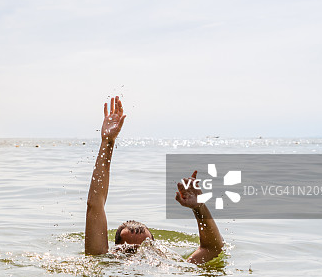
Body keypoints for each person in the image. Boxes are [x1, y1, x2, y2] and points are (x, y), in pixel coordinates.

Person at [84, 96, 225, 264]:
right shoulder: (104, 261)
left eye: (147, 249)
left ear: (158, 250)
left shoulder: (172, 266)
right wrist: (108, 142)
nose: (139, 256)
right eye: (129, 251)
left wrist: (199, 207)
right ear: (115, 252)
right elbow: (95, 204)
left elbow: (213, 249)